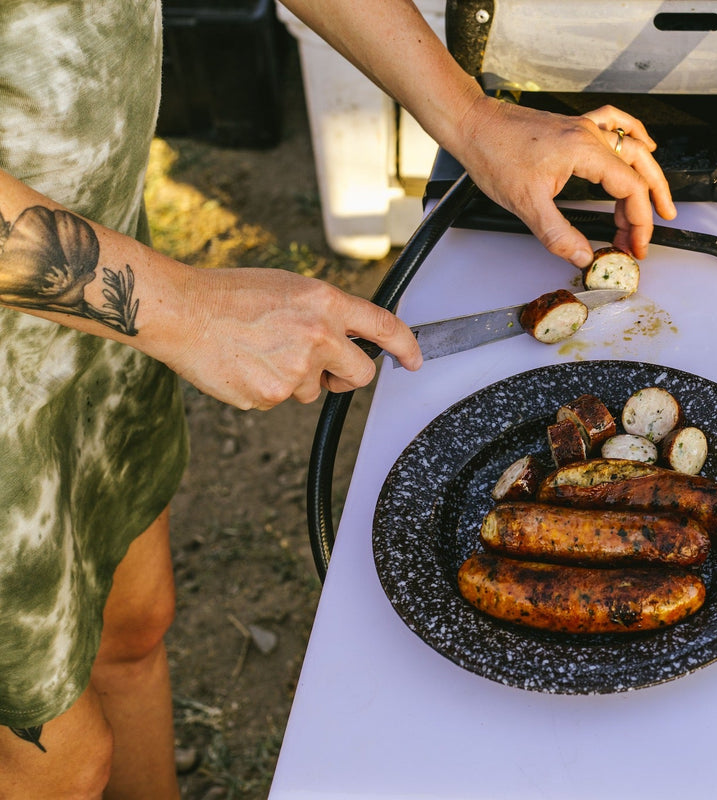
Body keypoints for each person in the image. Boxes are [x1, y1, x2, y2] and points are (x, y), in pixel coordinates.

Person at [0, 1, 677, 797]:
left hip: (96, 298)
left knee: (132, 631)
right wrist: (177, 305)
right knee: (63, 763)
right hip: (88, 317)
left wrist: (470, 115)